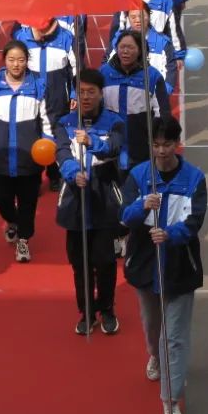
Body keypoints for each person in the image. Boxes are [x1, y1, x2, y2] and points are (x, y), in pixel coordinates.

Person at [121, 115, 207, 414]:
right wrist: (143, 206)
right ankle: (154, 356)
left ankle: (170, 399)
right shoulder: (138, 175)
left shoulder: (195, 178)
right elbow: (125, 217)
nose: (161, 151)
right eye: (156, 145)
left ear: (177, 144)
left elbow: (195, 222)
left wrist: (170, 234)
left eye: (167, 144)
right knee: (151, 324)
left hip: (180, 264)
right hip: (145, 263)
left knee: (175, 337)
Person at [54, 68, 126, 336]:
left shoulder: (115, 122)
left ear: (100, 94)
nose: (85, 97)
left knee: (105, 260)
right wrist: (73, 173)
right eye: (81, 92)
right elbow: (62, 153)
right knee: (80, 263)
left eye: (91, 92)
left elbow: (114, 148)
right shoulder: (64, 123)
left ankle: (107, 308)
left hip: (104, 194)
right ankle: (86, 311)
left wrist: (92, 141)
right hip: (75, 196)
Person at [0, 40, 53, 264]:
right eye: (11, 59)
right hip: (0, 156)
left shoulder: (38, 87)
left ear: (27, 61)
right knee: (0, 198)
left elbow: (47, 121)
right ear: (4, 61)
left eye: (21, 60)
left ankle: (23, 240)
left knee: (28, 201)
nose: (16, 64)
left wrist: (48, 144)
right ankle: (13, 221)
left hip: (30, 158)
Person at [12, 19, 78, 192]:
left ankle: (54, 174)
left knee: (56, 134)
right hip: (30, 96)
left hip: (57, 97)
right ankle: (33, 178)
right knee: (30, 134)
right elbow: (13, 67)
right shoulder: (21, 37)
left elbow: (76, 68)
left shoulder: (66, 38)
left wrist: (74, 93)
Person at [101, 31, 171, 176]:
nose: (125, 51)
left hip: (141, 146)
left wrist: (159, 142)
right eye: (122, 47)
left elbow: (162, 113)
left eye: (131, 47)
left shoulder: (152, 76)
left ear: (140, 50)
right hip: (109, 146)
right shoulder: (103, 73)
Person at [110, 8, 177, 93]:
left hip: (154, 97)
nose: (138, 20)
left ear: (149, 16)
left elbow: (171, 71)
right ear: (128, 18)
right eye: (133, 17)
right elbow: (108, 66)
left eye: (141, 16)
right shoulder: (118, 41)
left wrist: (160, 95)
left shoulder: (163, 42)